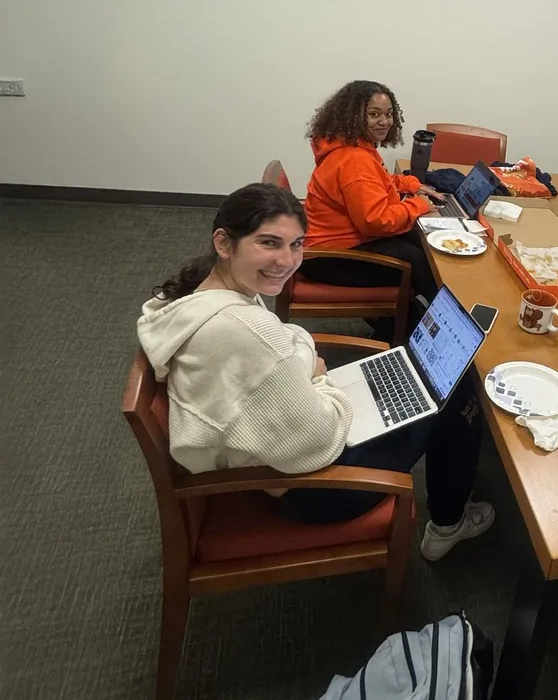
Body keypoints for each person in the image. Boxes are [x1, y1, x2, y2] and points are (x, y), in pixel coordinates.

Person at [136, 183, 493, 561]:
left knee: (413, 375)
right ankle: (448, 525)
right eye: (268, 243)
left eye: (296, 244)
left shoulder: (199, 296)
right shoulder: (246, 332)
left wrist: (308, 367)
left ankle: (402, 413)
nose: (287, 260)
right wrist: (324, 382)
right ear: (224, 243)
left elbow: (287, 340)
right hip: (311, 492)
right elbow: (322, 441)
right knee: (456, 393)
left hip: (267, 449)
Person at [297, 80, 445, 311]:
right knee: (419, 260)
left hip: (336, 243)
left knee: (417, 241)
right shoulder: (354, 159)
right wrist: (419, 205)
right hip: (327, 257)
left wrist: (411, 185)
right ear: (353, 116)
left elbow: (376, 182)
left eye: (388, 114)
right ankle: (438, 322)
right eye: (374, 114)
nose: (384, 121)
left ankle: (411, 317)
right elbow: (375, 222)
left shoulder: (351, 146)